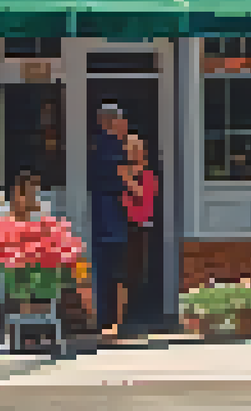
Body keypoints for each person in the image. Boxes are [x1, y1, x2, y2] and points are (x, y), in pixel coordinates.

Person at [88, 102, 131, 340]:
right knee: (113, 273)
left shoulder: (98, 145)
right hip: (111, 218)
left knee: (105, 272)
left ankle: (107, 320)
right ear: (111, 121)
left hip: (103, 217)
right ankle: (113, 322)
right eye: (120, 120)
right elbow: (123, 181)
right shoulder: (112, 146)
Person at [120, 133, 158, 328]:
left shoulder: (148, 175)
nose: (132, 152)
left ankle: (135, 313)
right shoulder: (121, 172)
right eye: (129, 148)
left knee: (136, 272)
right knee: (120, 273)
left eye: (136, 148)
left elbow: (145, 199)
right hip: (120, 227)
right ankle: (121, 314)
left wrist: (128, 180)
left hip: (139, 228)